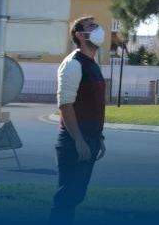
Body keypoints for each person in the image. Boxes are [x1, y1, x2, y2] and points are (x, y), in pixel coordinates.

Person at [50, 16, 106, 223]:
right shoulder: (73, 64)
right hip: (74, 142)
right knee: (67, 196)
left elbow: (93, 105)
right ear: (80, 35)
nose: (98, 28)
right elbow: (65, 104)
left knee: (76, 195)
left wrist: (98, 138)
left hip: (90, 139)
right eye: (92, 26)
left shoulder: (93, 65)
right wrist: (79, 140)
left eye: (97, 24)